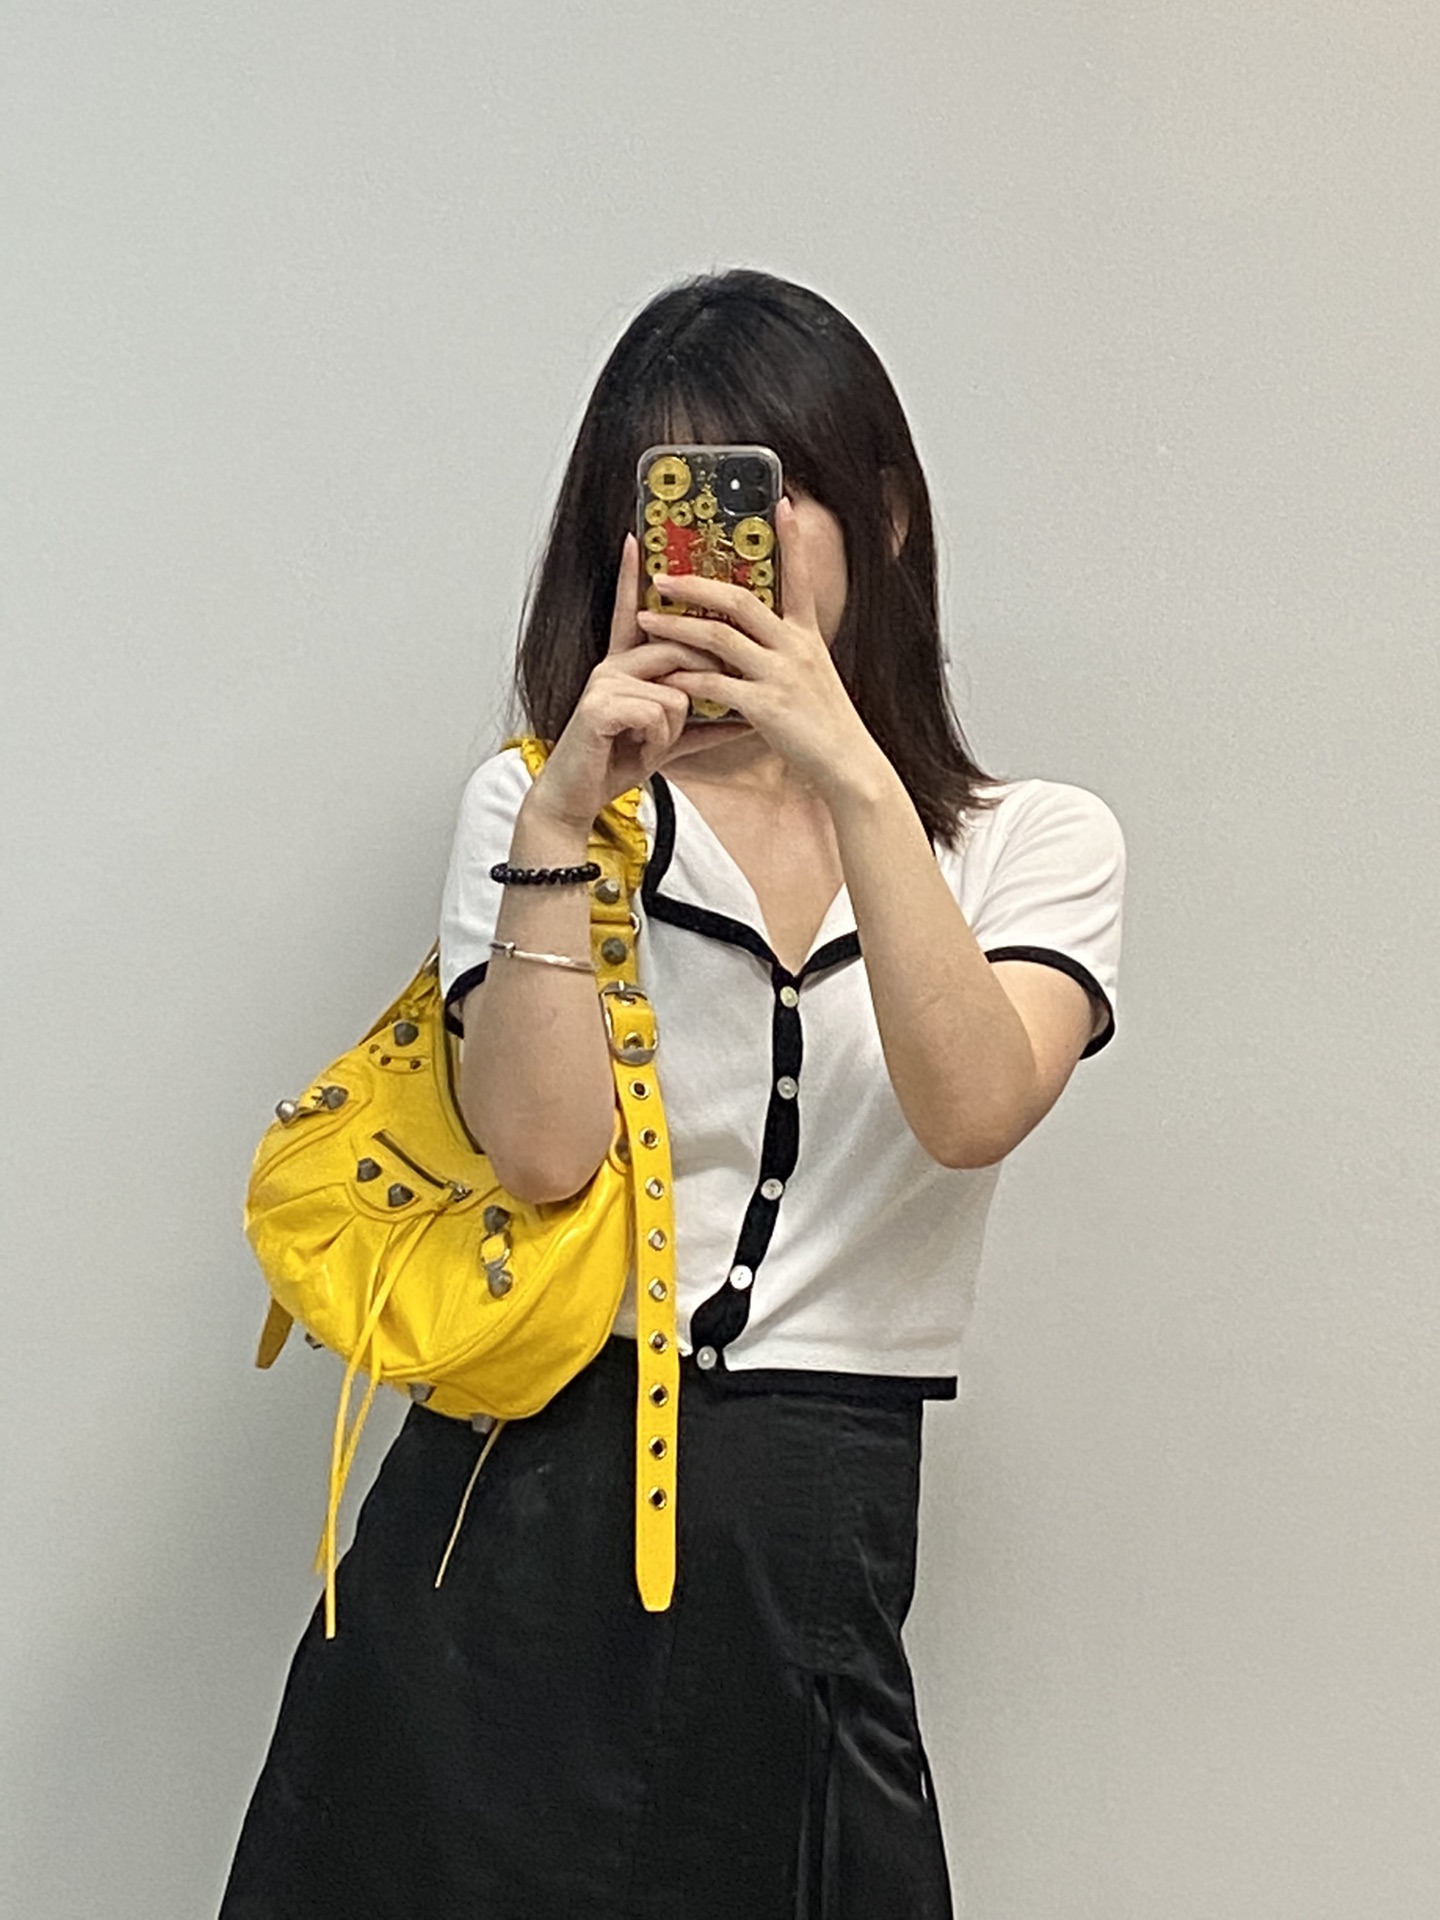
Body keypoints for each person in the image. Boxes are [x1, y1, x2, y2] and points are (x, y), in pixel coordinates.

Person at [219, 267, 1126, 1919]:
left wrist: (848, 764)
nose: (721, 557)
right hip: (508, 1518)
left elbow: (972, 1108)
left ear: (885, 519)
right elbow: (544, 1153)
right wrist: (560, 824)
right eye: (675, 509)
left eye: (770, 500)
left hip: (816, 1522)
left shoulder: (1030, 844)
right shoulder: (540, 806)